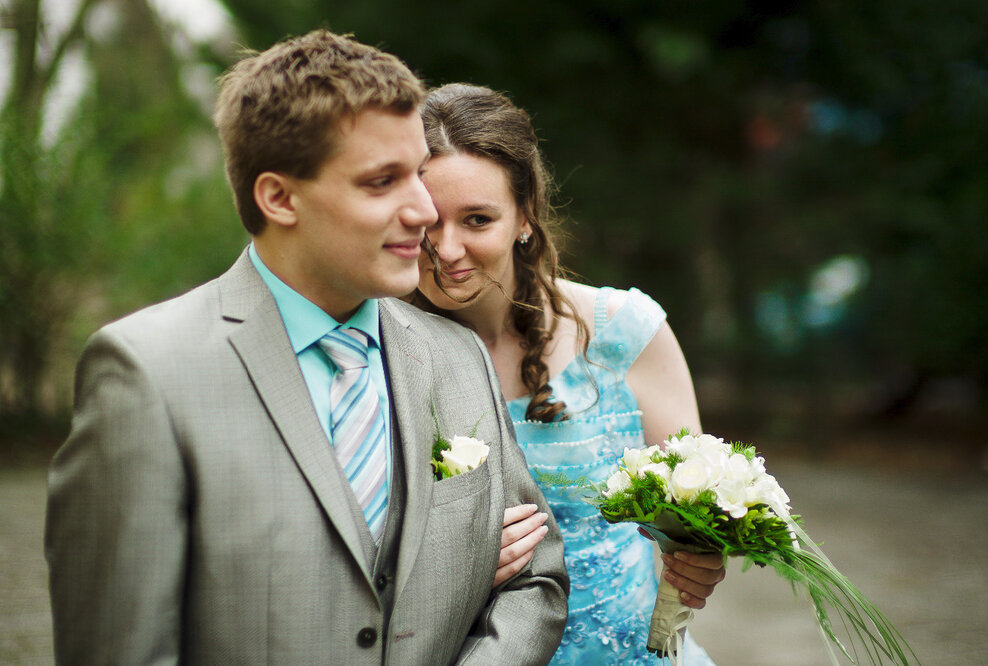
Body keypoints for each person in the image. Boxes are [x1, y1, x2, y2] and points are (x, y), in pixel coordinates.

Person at [45, 32, 568, 665]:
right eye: (383, 181)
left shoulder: (456, 355)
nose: (425, 210)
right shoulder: (146, 373)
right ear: (278, 197)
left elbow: (535, 583)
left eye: (417, 172)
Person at [411, 83, 725, 665]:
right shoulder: (374, 354)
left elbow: (691, 509)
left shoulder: (624, 332)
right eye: (427, 221)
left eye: (477, 219)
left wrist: (697, 553)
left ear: (524, 216)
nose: (446, 249)